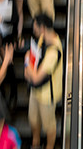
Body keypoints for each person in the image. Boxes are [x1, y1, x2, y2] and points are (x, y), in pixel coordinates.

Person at [24, 15, 64, 149]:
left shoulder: (53, 52)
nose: (33, 29)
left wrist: (27, 65)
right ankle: (36, 143)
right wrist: (29, 66)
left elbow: (35, 77)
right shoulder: (43, 38)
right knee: (33, 119)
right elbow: (31, 55)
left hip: (47, 95)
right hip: (36, 91)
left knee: (49, 126)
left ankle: (49, 146)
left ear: (42, 28)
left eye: (35, 27)